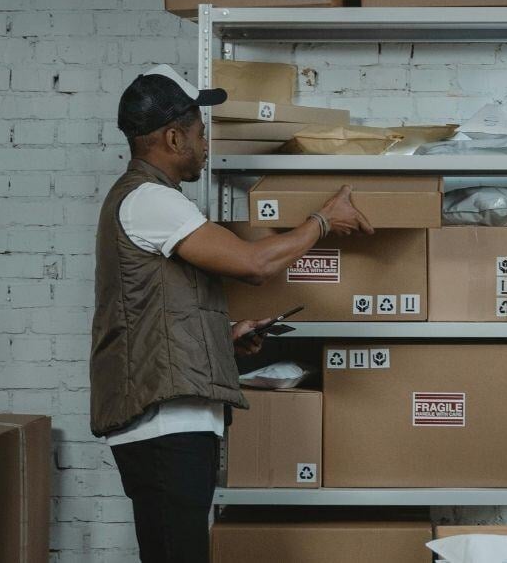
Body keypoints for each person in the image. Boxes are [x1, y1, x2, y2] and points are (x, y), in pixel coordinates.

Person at [89, 64, 373, 563]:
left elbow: (157, 310)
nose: (205, 144)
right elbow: (254, 264)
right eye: (200, 132)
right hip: (164, 427)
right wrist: (323, 221)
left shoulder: (152, 202)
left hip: (172, 422)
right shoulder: (149, 200)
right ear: (173, 137)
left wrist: (224, 335)